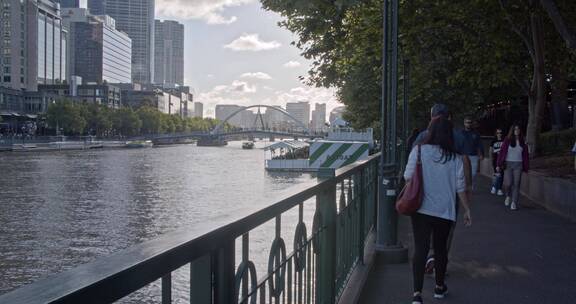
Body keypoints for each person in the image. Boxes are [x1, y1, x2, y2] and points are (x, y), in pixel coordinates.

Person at [404, 117, 472, 304]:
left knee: (421, 249)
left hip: (421, 209)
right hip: (445, 210)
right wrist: (467, 210)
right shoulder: (456, 158)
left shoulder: (418, 151)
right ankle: (439, 288)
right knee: (440, 249)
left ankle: (417, 294)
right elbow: (460, 187)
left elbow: (408, 177)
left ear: (430, 132)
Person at [496, 124, 529, 211]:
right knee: (509, 183)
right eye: (515, 129)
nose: (516, 131)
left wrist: (526, 166)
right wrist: (498, 165)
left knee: (517, 183)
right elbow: (502, 152)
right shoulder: (507, 140)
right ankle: (508, 196)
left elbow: (526, 155)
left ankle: (514, 202)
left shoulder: (523, 141)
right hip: (509, 164)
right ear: (512, 130)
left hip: (519, 164)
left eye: (518, 129)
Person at [454, 116, 484, 188]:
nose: (469, 124)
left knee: (473, 173)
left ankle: (470, 185)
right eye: (467, 122)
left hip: (473, 156)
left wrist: (481, 154)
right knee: (462, 173)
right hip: (462, 156)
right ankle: (464, 187)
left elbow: (479, 144)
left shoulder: (476, 133)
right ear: (464, 123)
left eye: (470, 123)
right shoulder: (460, 133)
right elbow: (457, 144)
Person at [490, 129, 504, 195]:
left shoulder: (504, 140)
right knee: (496, 174)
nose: (499, 134)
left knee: (501, 174)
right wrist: (491, 158)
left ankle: (499, 189)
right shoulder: (493, 141)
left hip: (502, 160)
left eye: (500, 133)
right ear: (496, 133)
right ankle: (494, 187)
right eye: (498, 133)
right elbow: (491, 150)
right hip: (495, 159)